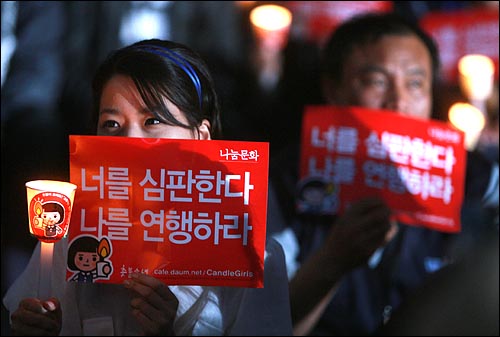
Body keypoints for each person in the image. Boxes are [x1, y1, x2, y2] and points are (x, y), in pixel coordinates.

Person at [2, 39, 293, 336]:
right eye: (112, 124)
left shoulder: (253, 258)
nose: (130, 140)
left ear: (201, 136)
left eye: (152, 120)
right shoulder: (71, 236)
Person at [269, 12, 499, 335]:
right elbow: (264, 322)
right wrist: (332, 261)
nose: (398, 102)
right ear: (332, 90)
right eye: (377, 82)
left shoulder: (470, 175)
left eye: (416, 84)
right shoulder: (286, 182)